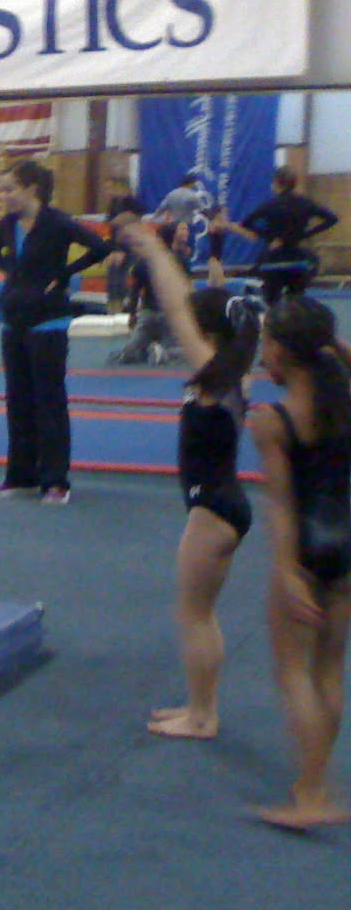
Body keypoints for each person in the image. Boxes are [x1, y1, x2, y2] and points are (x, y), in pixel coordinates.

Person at [115, 216, 262, 741]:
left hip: (213, 510)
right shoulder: (235, 371)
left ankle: (202, 716)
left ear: (210, 336)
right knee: (200, 613)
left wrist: (156, 253)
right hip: (223, 503)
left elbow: (179, 308)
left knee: (194, 615)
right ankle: (200, 707)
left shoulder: (216, 373)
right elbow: (201, 307)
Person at [247, 296, 351, 828]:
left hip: (307, 552)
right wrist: (332, 345)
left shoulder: (273, 420)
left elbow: (283, 504)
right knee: (329, 669)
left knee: (294, 674)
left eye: (266, 342)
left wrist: (288, 571)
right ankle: (314, 782)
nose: (261, 352)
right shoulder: (344, 402)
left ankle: (312, 796)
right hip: (345, 547)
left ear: (283, 352)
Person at [0, 159, 112, 504]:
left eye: (9, 189)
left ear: (32, 189)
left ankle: (55, 481)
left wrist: (65, 273)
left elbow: (100, 247)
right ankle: (20, 476)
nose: (4, 196)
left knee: (49, 401)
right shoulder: (9, 223)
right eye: (2, 190)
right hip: (15, 319)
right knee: (18, 401)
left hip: (48, 321)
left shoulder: (57, 222)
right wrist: (14, 271)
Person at [233, 167, 339, 304]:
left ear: (276, 183)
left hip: (274, 256)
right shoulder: (304, 203)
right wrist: (305, 234)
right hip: (296, 256)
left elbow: (246, 224)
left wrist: (268, 236)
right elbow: (331, 219)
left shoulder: (270, 205)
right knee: (296, 299)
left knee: (271, 299)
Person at [107, 221, 191, 367]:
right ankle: (164, 351)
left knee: (135, 346)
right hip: (169, 314)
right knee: (184, 350)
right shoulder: (180, 260)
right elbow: (186, 291)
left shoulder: (144, 261)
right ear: (173, 238)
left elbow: (135, 290)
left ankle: (132, 351)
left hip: (148, 313)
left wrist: (132, 315)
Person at [102, 174, 144, 314]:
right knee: (113, 277)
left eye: (110, 188)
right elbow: (112, 228)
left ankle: (122, 308)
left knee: (121, 277)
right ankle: (113, 309)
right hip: (117, 246)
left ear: (119, 187)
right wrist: (113, 250)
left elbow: (132, 223)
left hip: (129, 246)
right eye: (106, 189)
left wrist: (121, 250)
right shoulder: (114, 203)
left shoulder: (131, 202)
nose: (107, 192)